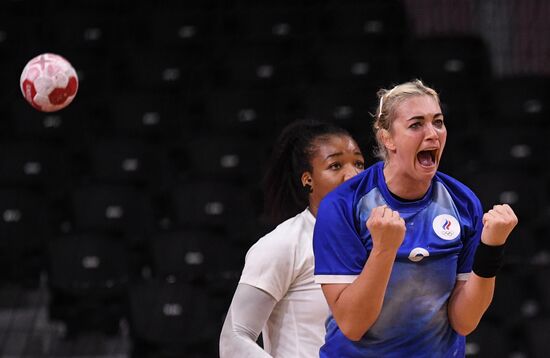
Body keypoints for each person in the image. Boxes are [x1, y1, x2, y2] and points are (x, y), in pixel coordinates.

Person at [313, 80, 518, 357]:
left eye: (438, 122)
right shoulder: (343, 205)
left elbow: (464, 321)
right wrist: (384, 250)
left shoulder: (462, 201)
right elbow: (352, 324)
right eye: (416, 124)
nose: (433, 134)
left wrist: (492, 250)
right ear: (387, 138)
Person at [219, 119, 366, 357]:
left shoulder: (379, 241)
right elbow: (234, 338)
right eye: (336, 165)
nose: (353, 175)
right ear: (308, 179)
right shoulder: (284, 243)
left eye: (358, 164)